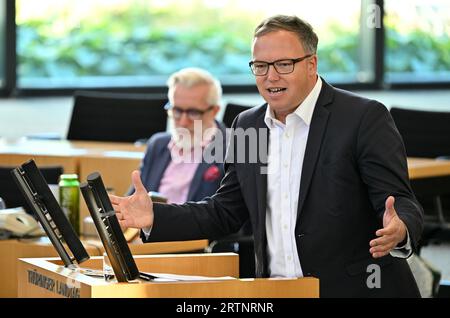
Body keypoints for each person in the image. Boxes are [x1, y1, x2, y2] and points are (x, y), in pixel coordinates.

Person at [111, 15, 423, 297]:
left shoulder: (363, 117)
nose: (270, 77)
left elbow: (400, 201)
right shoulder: (248, 125)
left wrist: (401, 228)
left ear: (311, 64)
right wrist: (155, 216)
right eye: (260, 66)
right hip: (277, 291)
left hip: (358, 290)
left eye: (283, 64)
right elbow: (225, 211)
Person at [128, 67, 227, 204]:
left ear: (214, 111)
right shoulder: (158, 144)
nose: (183, 121)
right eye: (177, 110)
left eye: (193, 113)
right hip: (150, 225)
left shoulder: (233, 149)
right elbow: (132, 199)